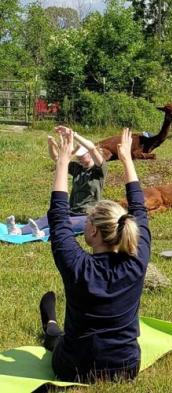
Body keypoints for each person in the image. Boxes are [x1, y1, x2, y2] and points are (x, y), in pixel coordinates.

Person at [38, 128, 150, 383]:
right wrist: (128, 161)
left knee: (57, 338)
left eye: (88, 220)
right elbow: (139, 209)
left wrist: (63, 161)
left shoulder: (77, 265)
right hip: (126, 368)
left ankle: (51, 325)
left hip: (74, 367)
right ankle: (52, 325)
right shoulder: (137, 260)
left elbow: (58, 217)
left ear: (94, 231)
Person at [6, 126, 106, 237]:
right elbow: (57, 159)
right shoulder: (77, 168)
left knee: (65, 224)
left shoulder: (99, 171)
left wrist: (73, 134)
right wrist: (51, 144)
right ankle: (18, 231)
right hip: (70, 211)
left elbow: (92, 148)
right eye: (78, 157)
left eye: (82, 156)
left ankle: (42, 233)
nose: (79, 159)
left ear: (89, 154)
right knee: (50, 217)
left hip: (87, 215)